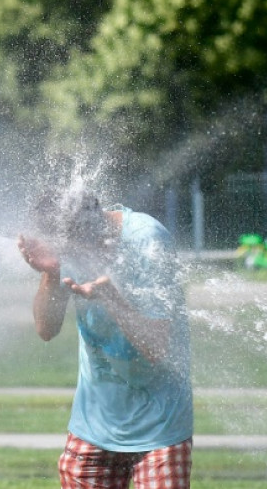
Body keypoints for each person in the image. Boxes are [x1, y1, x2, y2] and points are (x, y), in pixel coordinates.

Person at [17, 187, 193, 489]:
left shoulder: (147, 240)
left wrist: (111, 300)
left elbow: (157, 348)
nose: (71, 254)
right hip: (92, 427)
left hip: (159, 429)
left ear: (92, 225)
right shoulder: (67, 243)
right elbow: (46, 329)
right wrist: (51, 272)